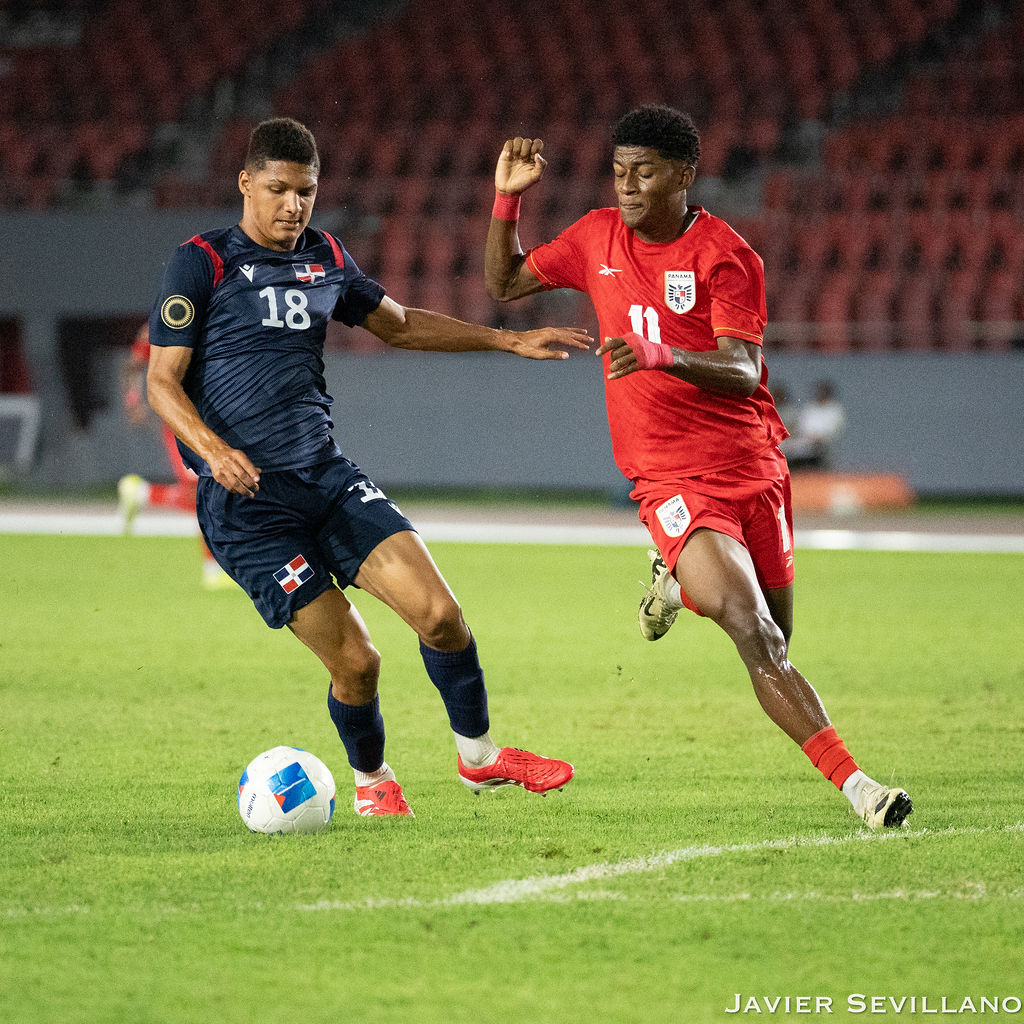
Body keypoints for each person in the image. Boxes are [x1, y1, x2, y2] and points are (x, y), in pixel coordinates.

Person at [146, 117, 589, 817]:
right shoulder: (200, 261)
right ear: (246, 184)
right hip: (250, 508)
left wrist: (507, 340)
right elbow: (162, 383)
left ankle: (479, 760)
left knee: (442, 616)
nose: (294, 206)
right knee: (357, 663)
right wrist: (214, 450)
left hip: (326, 476)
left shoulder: (325, 255)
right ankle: (372, 782)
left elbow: (401, 322)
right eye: (279, 190)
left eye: (306, 192)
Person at [484, 105, 912, 829]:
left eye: (644, 172)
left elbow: (744, 370)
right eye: (619, 172)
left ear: (684, 174)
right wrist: (507, 200)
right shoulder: (595, 237)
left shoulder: (725, 254)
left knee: (779, 635)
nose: (627, 186)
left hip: (753, 468)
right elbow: (506, 284)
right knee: (757, 635)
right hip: (669, 479)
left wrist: (659, 354)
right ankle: (861, 789)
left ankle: (675, 578)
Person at [118, 322, 233, 589]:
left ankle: (144, 494)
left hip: (217, 418)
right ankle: (212, 570)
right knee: (201, 490)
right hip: (182, 418)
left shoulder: (222, 314)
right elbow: (134, 363)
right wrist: (133, 402)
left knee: (213, 489)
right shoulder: (172, 316)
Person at [780, 379, 846, 470]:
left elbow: (833, 431)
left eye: (823, 391)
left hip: (821, 446)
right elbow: (800, 426)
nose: (820, 393)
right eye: (819, 391)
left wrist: (817, 438)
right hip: (804, 442)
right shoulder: (810, 407)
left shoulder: (834, 409)